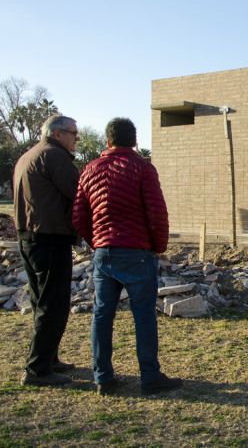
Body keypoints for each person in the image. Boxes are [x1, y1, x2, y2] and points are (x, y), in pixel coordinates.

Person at [72, 117, 181, 396]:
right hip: (137, 251)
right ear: (134, 141)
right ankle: (150, 376)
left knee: (101, 314)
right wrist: (158, 245)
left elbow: (79, 215)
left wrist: (96, 241)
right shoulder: (142, 168)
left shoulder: (89, 170)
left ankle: (103, 377)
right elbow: (157, 211)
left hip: (103, 253)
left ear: (107, 141)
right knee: (143, 315)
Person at [13, 114, 80, 386]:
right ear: (57, 134)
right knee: (53, 303)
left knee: (41, 301)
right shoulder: (54, 156)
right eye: (73, 133)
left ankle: (48, 358)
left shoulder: (28, 155)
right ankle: (38, 369)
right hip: (50, 237)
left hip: (29, 237)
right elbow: (78, 191)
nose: (76, 138)